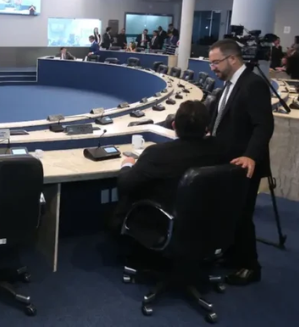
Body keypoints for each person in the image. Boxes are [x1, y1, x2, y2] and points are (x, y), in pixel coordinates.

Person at [207, 39, 274, 286]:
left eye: (216, 62)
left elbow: (264, 125)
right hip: (227, 162)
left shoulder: (253, 84)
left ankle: (250, 266)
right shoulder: (229, 84)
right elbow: (223, 118)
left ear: (232, 59)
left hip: (244, 164)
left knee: (242, 214)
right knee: (229, 213)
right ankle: (232, 254)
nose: (212, 67)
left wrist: (250, 155)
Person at [111, 101, 229, 231]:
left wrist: (127, 164)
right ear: (206, 128)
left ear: (174, 125)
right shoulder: (221, 149)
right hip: (205, 222)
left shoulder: (156, 153)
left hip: (160, 223)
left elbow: (124, 184)